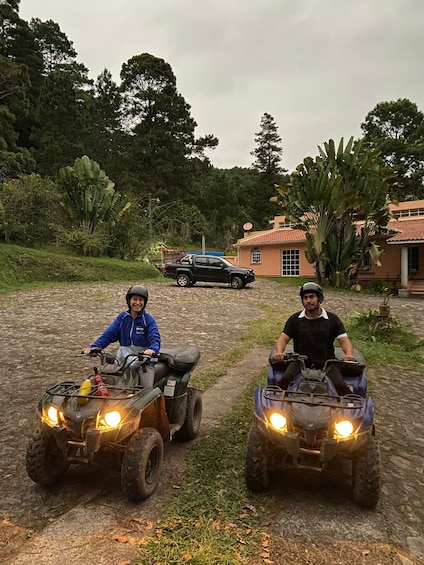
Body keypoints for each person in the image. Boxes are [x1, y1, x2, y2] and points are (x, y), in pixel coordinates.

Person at [272, 282, 355, 395]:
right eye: (305, 298)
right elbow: (283, 338)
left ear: (319, 298)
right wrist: (279, 352)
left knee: (341, 386)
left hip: (327, 363)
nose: (308, 301)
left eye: (312, 297)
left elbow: (344, 340)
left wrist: (349, 354)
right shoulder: (295, 319)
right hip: (300, 362)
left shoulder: (332, 319)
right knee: (284, 380)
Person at [83, 284, 161, 387]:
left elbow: (155, 338)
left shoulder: (148, 320)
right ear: (129, 300)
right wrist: (94, 347)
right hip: (123, 361)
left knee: (146, 391)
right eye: (135, 299)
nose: (137, 303)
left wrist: (152, 350)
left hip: (143, 362)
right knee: (107, 383)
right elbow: (109, 334)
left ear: (144, 302)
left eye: (141, 300)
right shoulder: (122, 318)